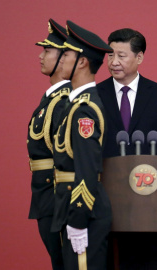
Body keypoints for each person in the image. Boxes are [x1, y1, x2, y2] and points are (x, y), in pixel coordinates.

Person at [97, 28, 157, 269]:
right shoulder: (94, 95)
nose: (114, 62)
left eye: (121, 55)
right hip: (108, 201)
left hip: (152, 204)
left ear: (140, 57)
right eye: (110, 55)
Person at [51, 20, 113, 270]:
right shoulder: (74, 104)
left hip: (82, 210)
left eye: (66, 54)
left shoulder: (84, 109)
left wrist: (78, 218)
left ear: (82, 62)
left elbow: (88, 169)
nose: (61, 59)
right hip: (69, 205)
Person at [27, 18, 72, 270]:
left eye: (47, 51)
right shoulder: (52, 99)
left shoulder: (65, 101)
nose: (41, 56)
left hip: (58, 198)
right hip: (46, 196)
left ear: (65, 58)